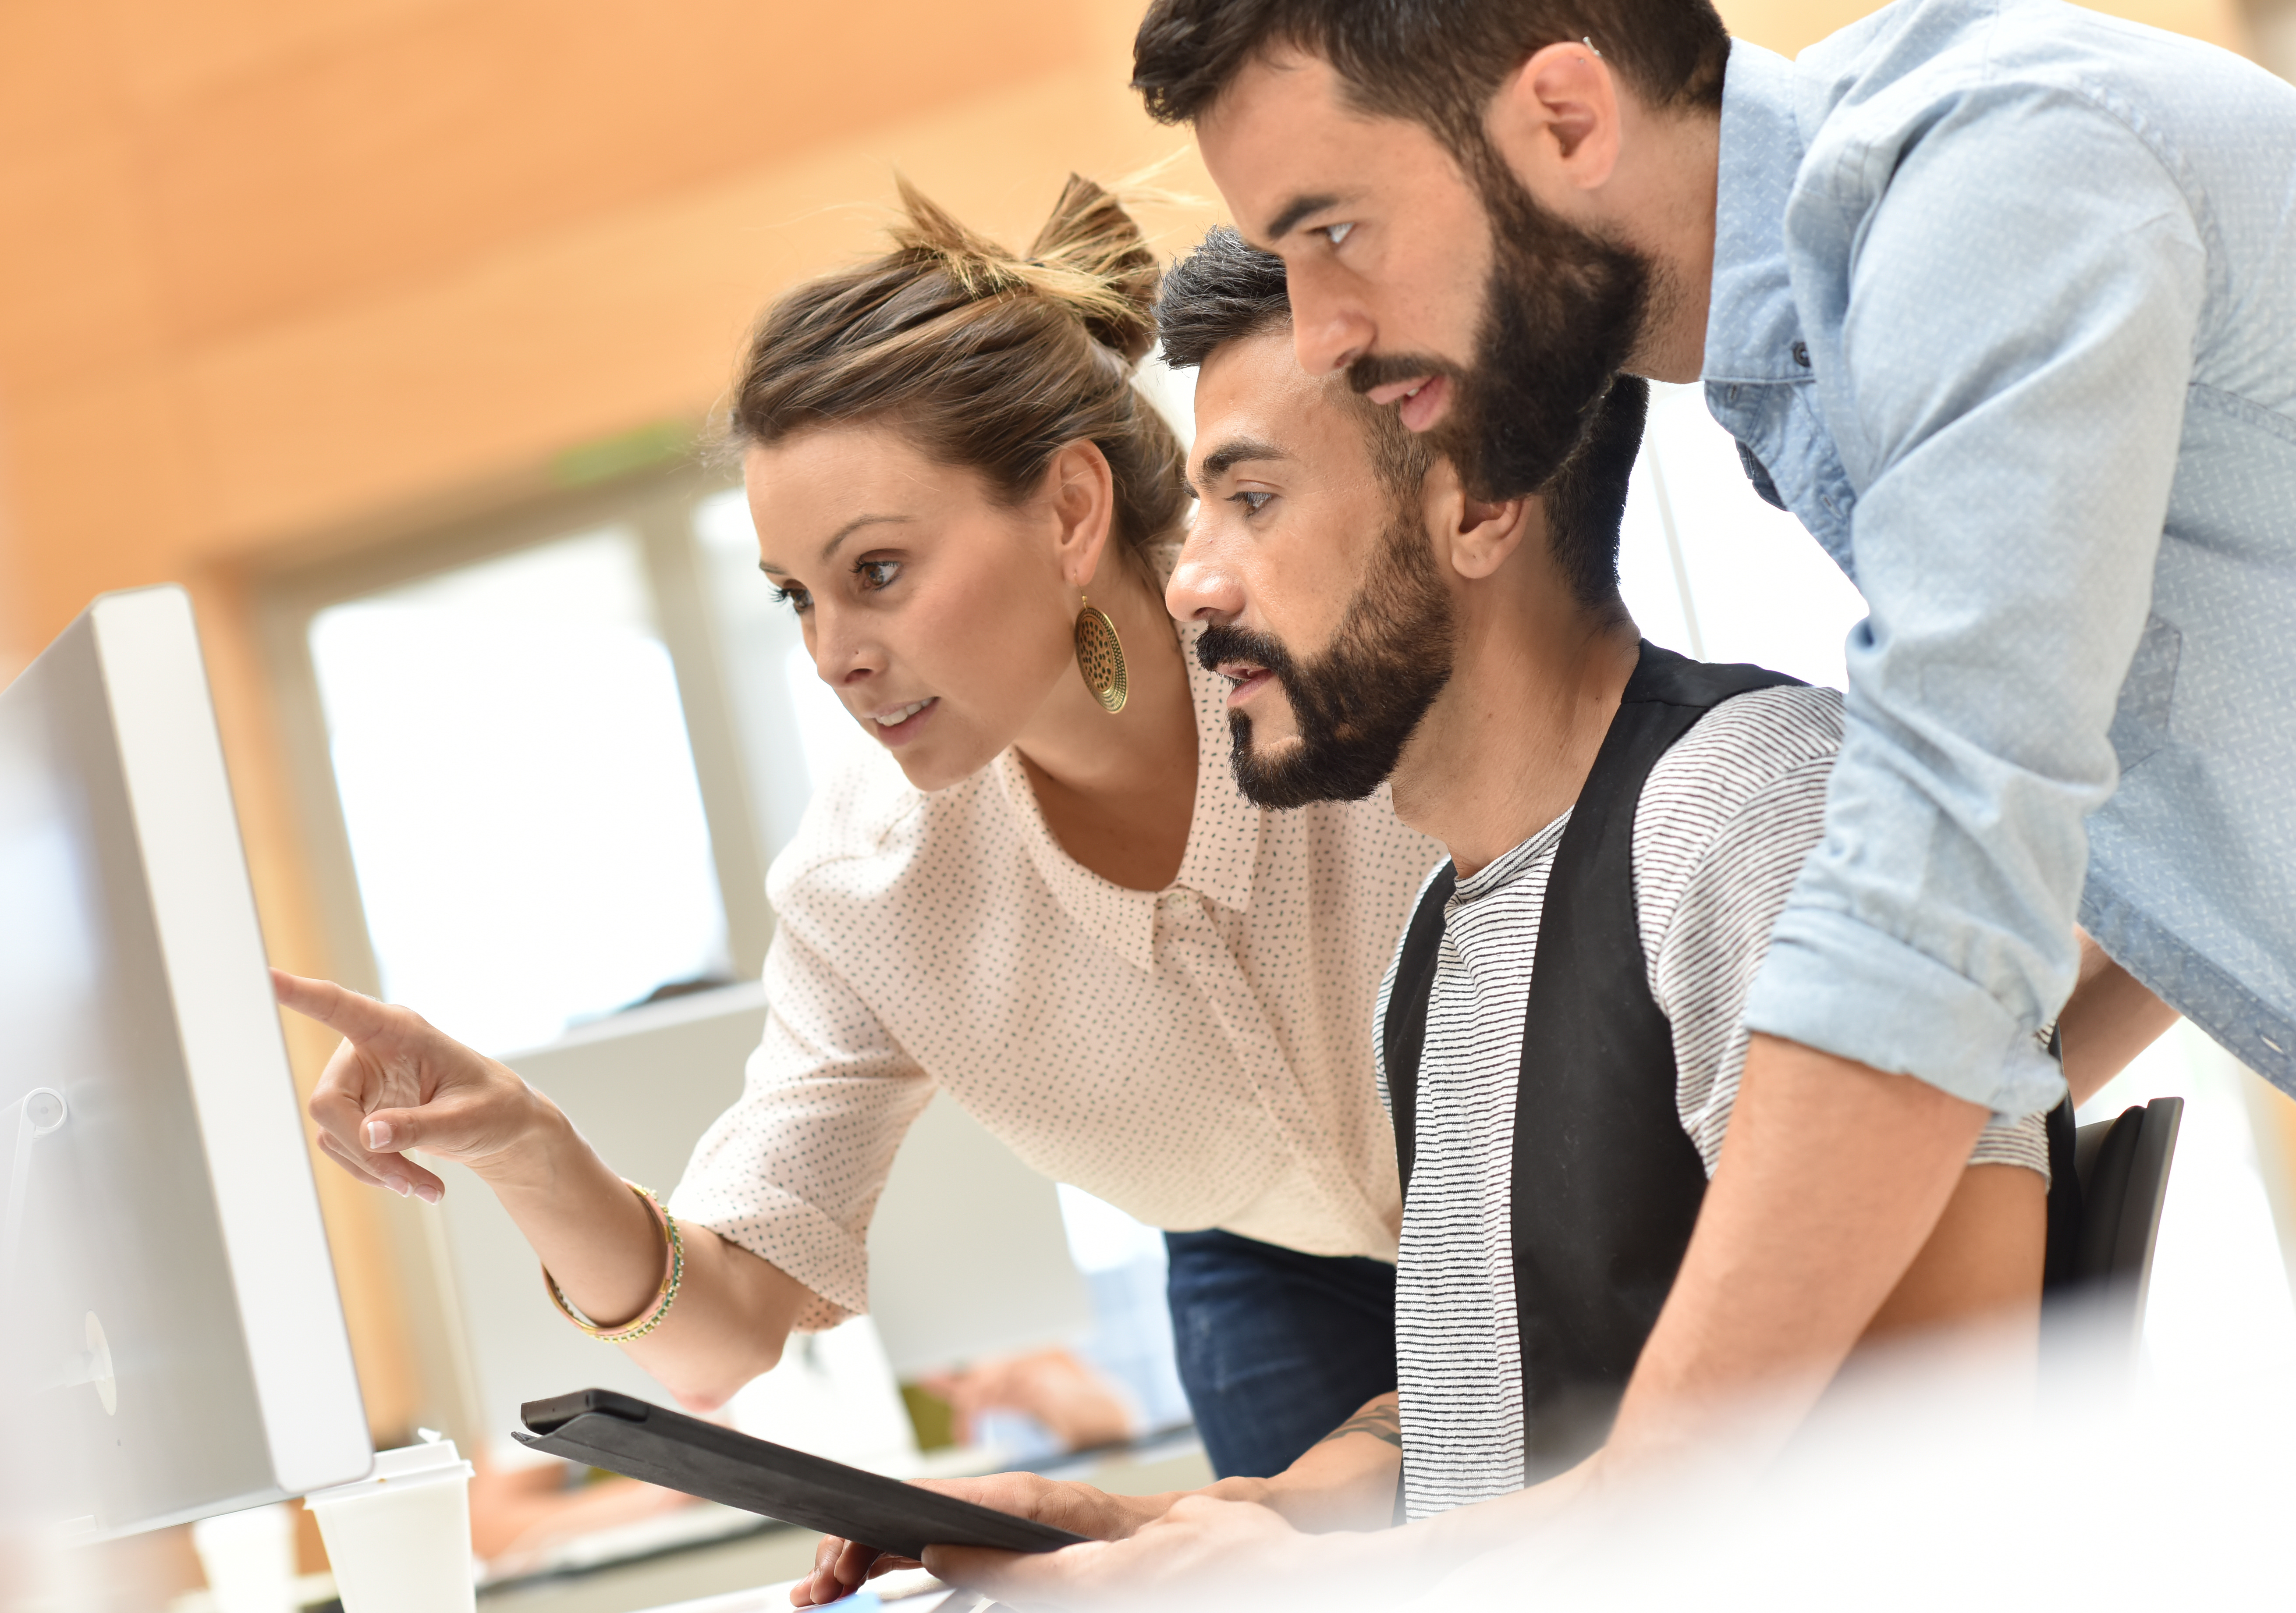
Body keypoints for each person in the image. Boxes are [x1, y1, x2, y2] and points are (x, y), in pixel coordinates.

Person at [791, 227, 2052, 1609]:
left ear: (1478, 504)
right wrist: (1133, 1520)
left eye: (1253, 501)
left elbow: (1932, 1417)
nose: (1193, 581)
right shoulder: (1445, 940)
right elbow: (1477, 1439)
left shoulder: (1743, 808)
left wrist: (1354, 1571)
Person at [1121, 0, 2283, 1498]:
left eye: (1334, 230)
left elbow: (1940, 885)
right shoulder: (1803, 353)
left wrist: (1602, 1519)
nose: (1328, 326)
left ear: (1566, 117)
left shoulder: (1991, 188)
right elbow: (2111, 850)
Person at [274, 175, 1445, 1483]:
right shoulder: (872, 887)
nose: (835, 656)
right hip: (1272, 1270)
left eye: (876, 572)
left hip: (1577, 1185)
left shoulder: (1340, 654)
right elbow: (721, 1337)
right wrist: (524, 1148)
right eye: (797, 600)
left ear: (1069, 511)